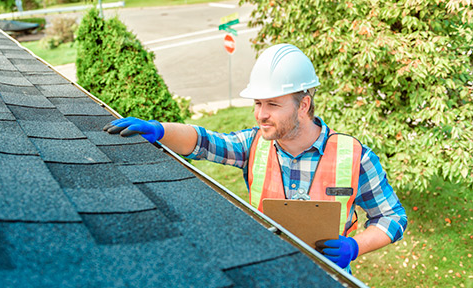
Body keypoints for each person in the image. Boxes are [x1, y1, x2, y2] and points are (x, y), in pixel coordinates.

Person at [104, 43, 407, 273]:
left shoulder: (354, 157)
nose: (261, 114)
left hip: (329, 280)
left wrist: (354, 247)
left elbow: (392, 218)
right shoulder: (254, 145)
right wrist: (159, 130)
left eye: (273, 104)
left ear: (304, 105)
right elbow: (204, 141)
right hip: (267, 270)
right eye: (258, 103)